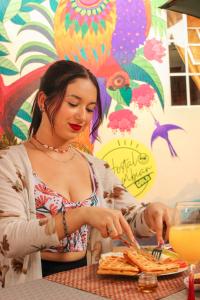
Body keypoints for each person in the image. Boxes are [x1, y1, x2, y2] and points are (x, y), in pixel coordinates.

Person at [0, 60, 171, 288]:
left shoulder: (97, 168)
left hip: (91, 286)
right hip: (30, 288)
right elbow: (8, 239)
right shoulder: (9, 163)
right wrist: (80, 215)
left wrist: (151, 213)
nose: (82, 117)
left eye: (90, 109)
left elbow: (130, 218)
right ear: (43, 101)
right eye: (73, 103)